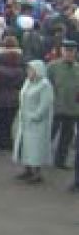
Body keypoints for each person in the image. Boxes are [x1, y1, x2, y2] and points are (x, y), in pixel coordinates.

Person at [12, 60, 54, 184]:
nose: (28, 72)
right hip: (25, 120)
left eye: (31, 69)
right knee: (25, 146)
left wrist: (35, 116)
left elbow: (45, 104)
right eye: (28, 69)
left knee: (36, 147)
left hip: (38, 123)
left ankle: (37, 173)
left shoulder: (45, 85)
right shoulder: (27, 82)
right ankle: (28, 169)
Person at [48, 39, 78, 170]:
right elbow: (46, 86)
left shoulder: (77, 68)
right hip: (55, 107)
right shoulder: (53, 66)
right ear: (62, 51)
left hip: (73, 108)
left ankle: (60, 161)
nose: (69, 54)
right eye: (67, 51)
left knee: (67, 136)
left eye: (72, 52)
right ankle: (36, 159)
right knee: (49, 134)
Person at [0, 36, 26, 151]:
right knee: (10, 120)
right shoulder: (21, 62)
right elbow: (22, 81)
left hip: (0, 95)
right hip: (14, 96)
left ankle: (0, 140)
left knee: (1, 120)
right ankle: (8, 140)